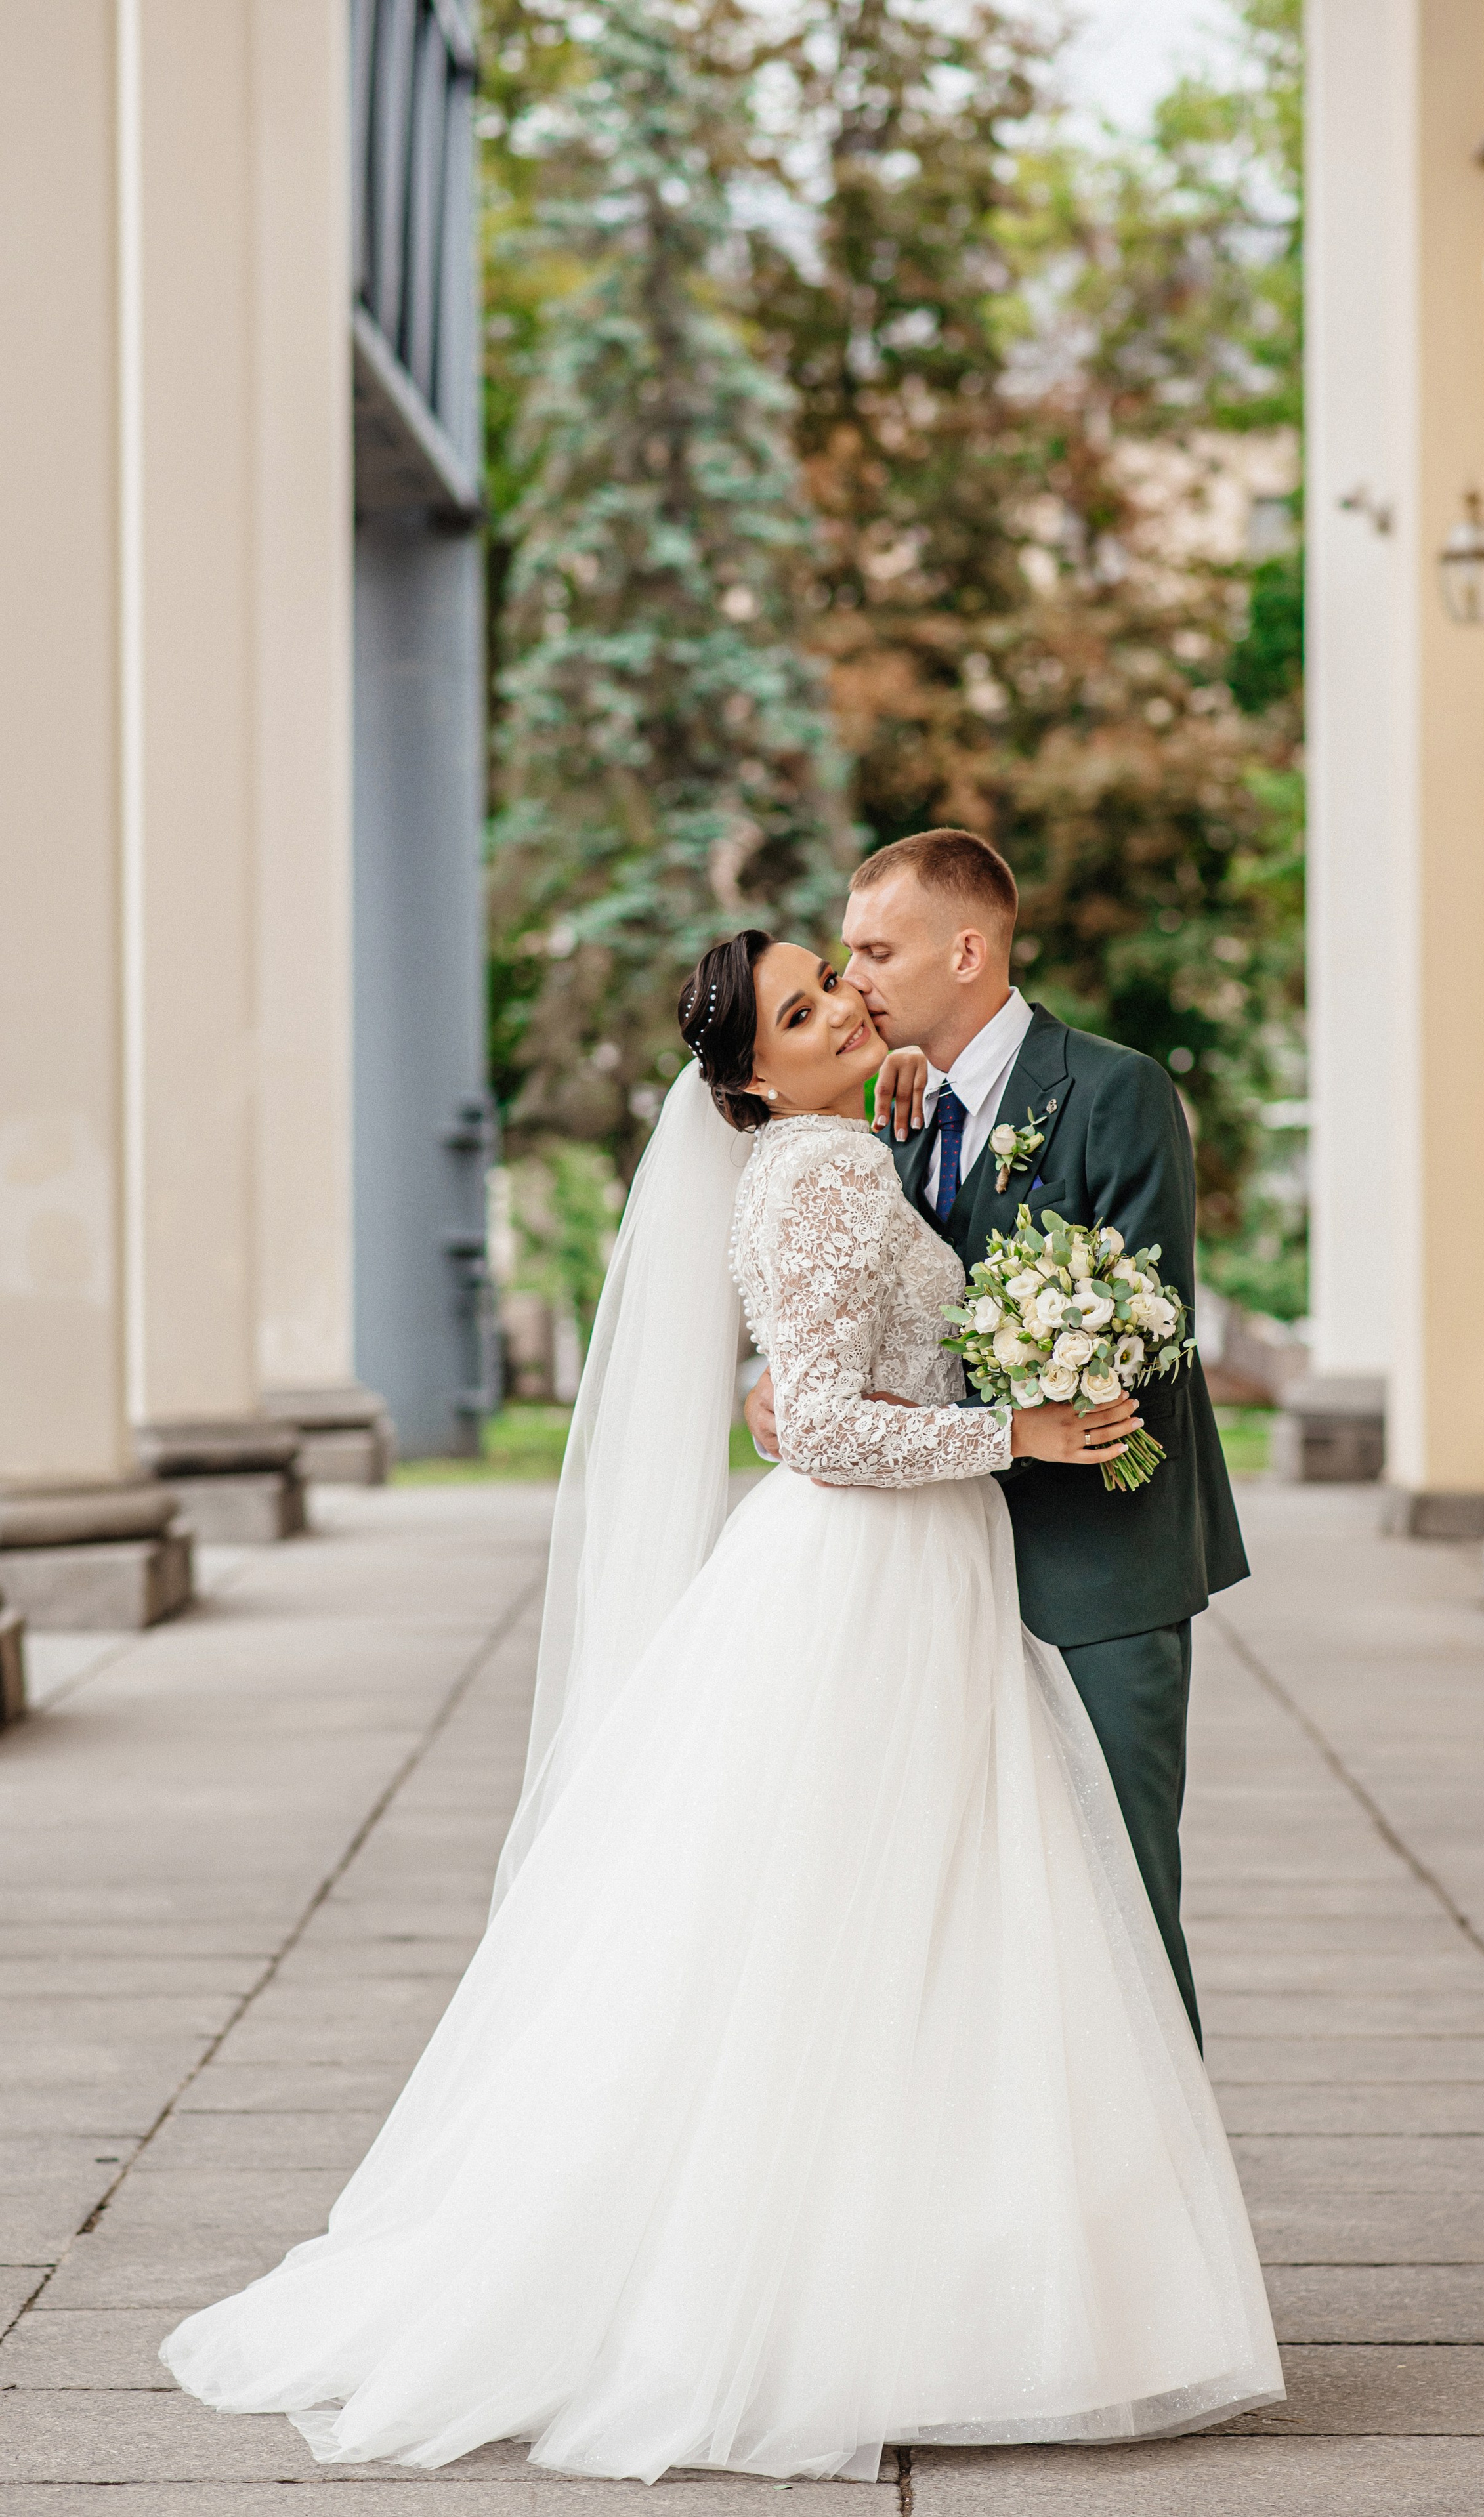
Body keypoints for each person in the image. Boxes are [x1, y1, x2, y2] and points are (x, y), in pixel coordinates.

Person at [159, 931, 1280, 2484]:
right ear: (749, 1075)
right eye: (806, 1008)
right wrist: (1010, 1426)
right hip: (864, 1577)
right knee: (851, 1933)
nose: (843, 1007)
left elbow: (813, 1375)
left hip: (915, 1572)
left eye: (834, 978)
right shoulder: (817, 1173)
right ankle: (835, 2303)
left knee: (911, 1930)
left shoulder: (841, 1148)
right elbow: (814, 1425)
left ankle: (914, 2289)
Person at [746, 828, 1248, 2046]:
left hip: (1096, 1572)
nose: (852, 980)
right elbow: (859, 1306)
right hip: (933, 1589)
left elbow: (1141, 1335)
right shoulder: (899, 1112)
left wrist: (900, 1419)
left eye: (874, 951)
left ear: (966, 950)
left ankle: (1155, 2221)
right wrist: (793, 1393)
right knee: (967, 1930)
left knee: (1120, 1910)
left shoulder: (1115, 1090)